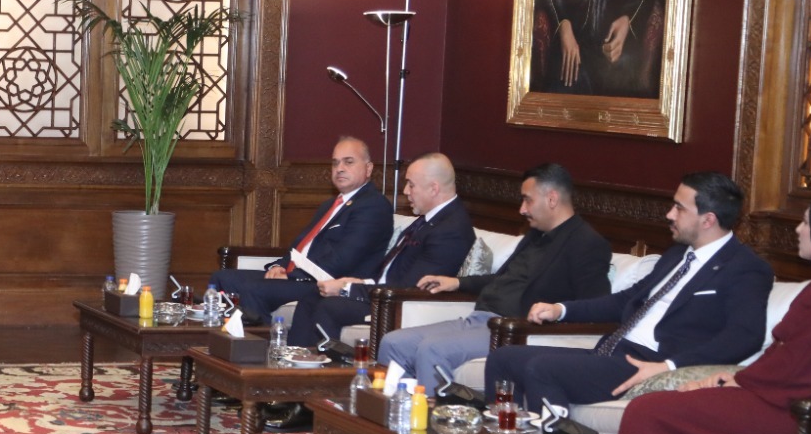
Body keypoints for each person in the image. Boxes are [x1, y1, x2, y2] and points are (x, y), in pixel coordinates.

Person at [489, 172, 774, 414]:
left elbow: (745, 337)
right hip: (613, 353)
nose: (669, 214)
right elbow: (628, 299)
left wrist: (668, 365)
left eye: (679, 208)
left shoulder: (745, 269)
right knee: (504, 358)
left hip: (648, 362)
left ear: (708, 219)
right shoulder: (677, 255)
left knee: (541, 368)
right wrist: (562, 310)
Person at [617, 194, 811, 434]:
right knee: (660, 405)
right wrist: (735, 378)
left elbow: (800, 367)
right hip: (774, 395)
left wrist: (740, 382)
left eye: (805, 223)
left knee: (649, 411)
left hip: (799, 412)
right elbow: (785, 354)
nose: (798, 230)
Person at [374, 163, 612, 395]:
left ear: (552, 199)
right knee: (394, 342)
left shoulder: (586, 244)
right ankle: (393, 414)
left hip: (512, 330)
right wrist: (457, 282)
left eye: (527, 200)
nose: (522, 209)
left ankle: (427, 419)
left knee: (432, 349)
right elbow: (501, 279)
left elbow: (596, 307)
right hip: (480, 319)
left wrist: (555, 311)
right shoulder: (535, 235)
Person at [282, 152, 475, 349]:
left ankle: (324, 366)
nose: (405, 191)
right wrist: (356, 282)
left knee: (329, 306)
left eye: (411, 185)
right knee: (313, 296)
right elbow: (390, 274)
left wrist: (347, 289)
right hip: (384, 294)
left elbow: (412, 288)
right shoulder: (429, 219)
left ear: (434, 188)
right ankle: (295, 361)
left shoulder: (451, 230)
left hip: (397, 305)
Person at [209, 136, 392, 326]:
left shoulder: (373, 206)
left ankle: (259, 343)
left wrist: (292, 276)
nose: (340, 168)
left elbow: (343, 260)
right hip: (298, 276)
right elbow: (300, 247)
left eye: (349, 162)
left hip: (325, 284)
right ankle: (222, 338)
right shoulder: (331, 205)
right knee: (223, 278)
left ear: (368, 168)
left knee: (253, 289)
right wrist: (278, 266)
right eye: (335, 163)